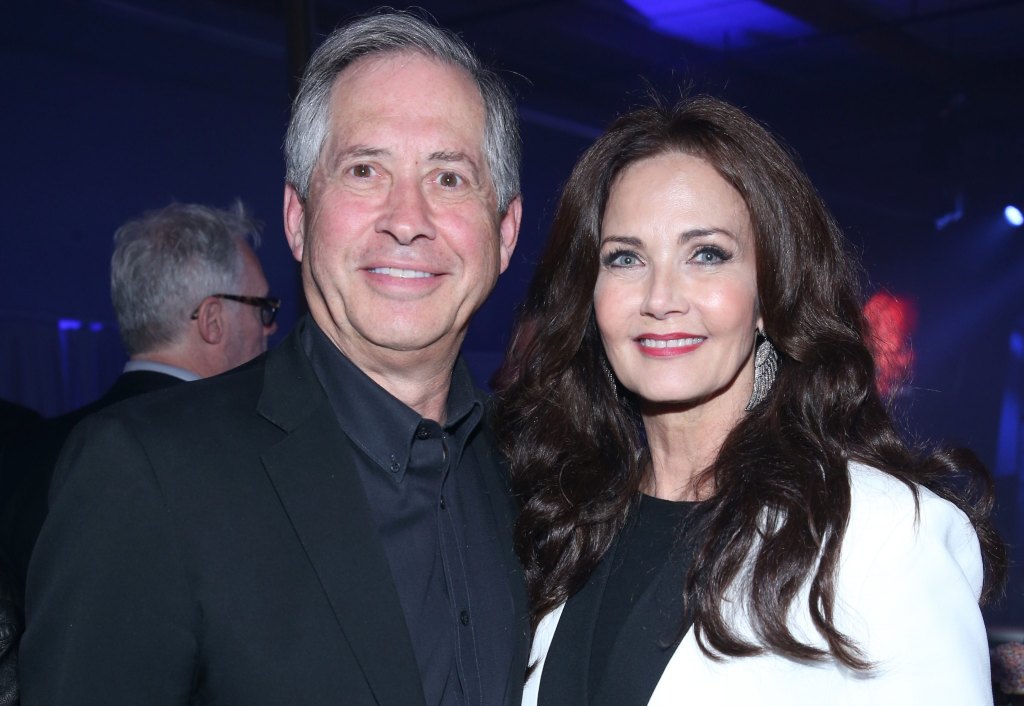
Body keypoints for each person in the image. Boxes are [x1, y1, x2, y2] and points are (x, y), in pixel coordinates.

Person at [20, 10, 527, 706]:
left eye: (448, 178)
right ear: (296, 217)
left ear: (504, 233)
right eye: (364, 169)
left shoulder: (537, 471)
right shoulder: (147, 475)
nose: (407, 218)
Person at [494, 94, 1005, 705]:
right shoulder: (560, 521)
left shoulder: (881, 534)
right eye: (625, 258)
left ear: (770, 295)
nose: (661, 297)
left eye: (706, 254)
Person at [0, 201, 276, 598]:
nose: (272, 326)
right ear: (213, 321)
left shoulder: (22, 453)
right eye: (263, 308)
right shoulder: (239, 456)